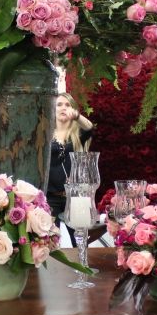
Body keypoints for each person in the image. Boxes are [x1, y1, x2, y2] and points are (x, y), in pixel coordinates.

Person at [47, 93, 94, 235]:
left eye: (67, 105)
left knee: (80, 237)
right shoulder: (46, 134)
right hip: (51, 197)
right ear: (53, 109)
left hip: (75, 195)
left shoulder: (78, 135)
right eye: (59, 104)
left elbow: (89, 128)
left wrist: (77, 116)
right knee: (51, 238)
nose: (63, 108)